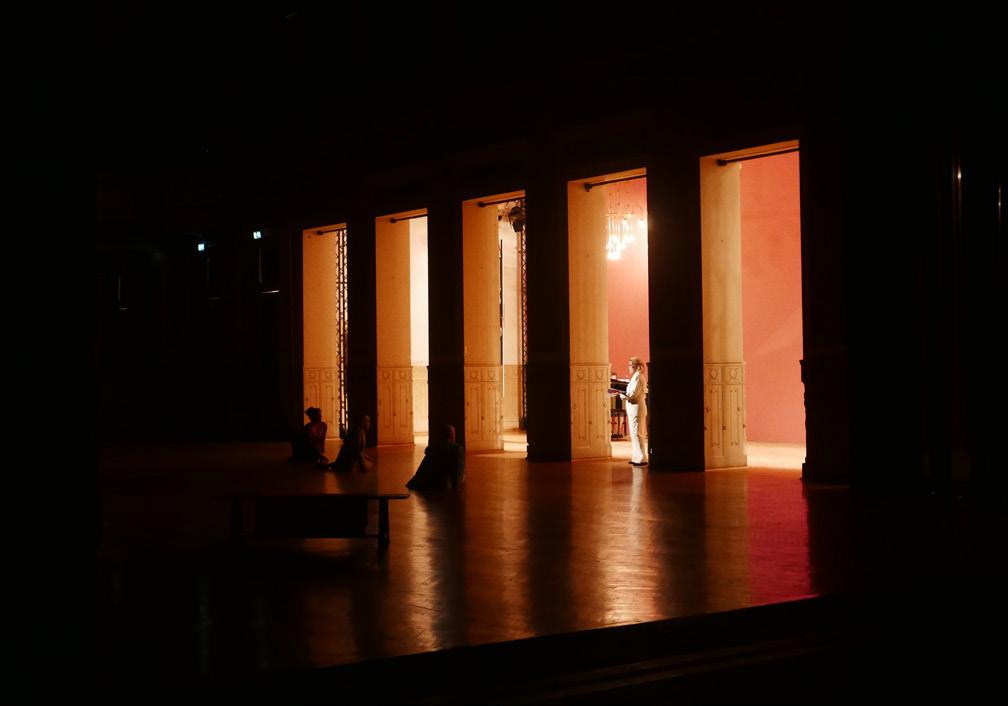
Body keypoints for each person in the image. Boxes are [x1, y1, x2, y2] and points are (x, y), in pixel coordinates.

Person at [406, 424, 465, 490]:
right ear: (452, 436)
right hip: (441, 488)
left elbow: (420, 473)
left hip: (421, 486)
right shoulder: (457, 450)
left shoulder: (432, 449)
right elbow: (457, 478)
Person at [621, 357, 648, 466]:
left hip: (637, 409)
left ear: (636, 366)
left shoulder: (638, 377)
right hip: (633, 409)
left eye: (630, 365)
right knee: (634, 434)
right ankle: (636, 457)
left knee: (638, 434)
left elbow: (633, 394)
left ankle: (641, 458)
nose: (629, 368)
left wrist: (623, 396)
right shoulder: (636, 377)